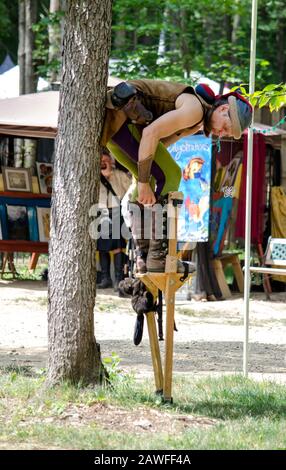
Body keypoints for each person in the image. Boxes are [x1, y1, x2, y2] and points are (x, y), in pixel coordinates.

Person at [101, 79, 253, 273]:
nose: (221, 134)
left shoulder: (197, 122)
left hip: (117, 127)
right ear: (223, 110)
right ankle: (158, 257)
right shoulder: (195, 109)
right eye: (225, 127)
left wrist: (142, 178)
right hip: (123, 119)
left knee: (155, 173)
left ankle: (143, 256)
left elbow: (159, 146)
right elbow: (150, 133)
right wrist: (144, 182)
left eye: (226, 134)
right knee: (172, 173)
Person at [97, 148, 131, 291]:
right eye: (101, 162)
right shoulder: (94, 177)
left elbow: (130, 191)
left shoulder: (120, 176)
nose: (103, 163)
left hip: (117, 212)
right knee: (102, 247)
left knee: (118, 247)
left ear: (111, 161)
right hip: (101, 213)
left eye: (106, 161)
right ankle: (106, 279)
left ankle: (118, 279)